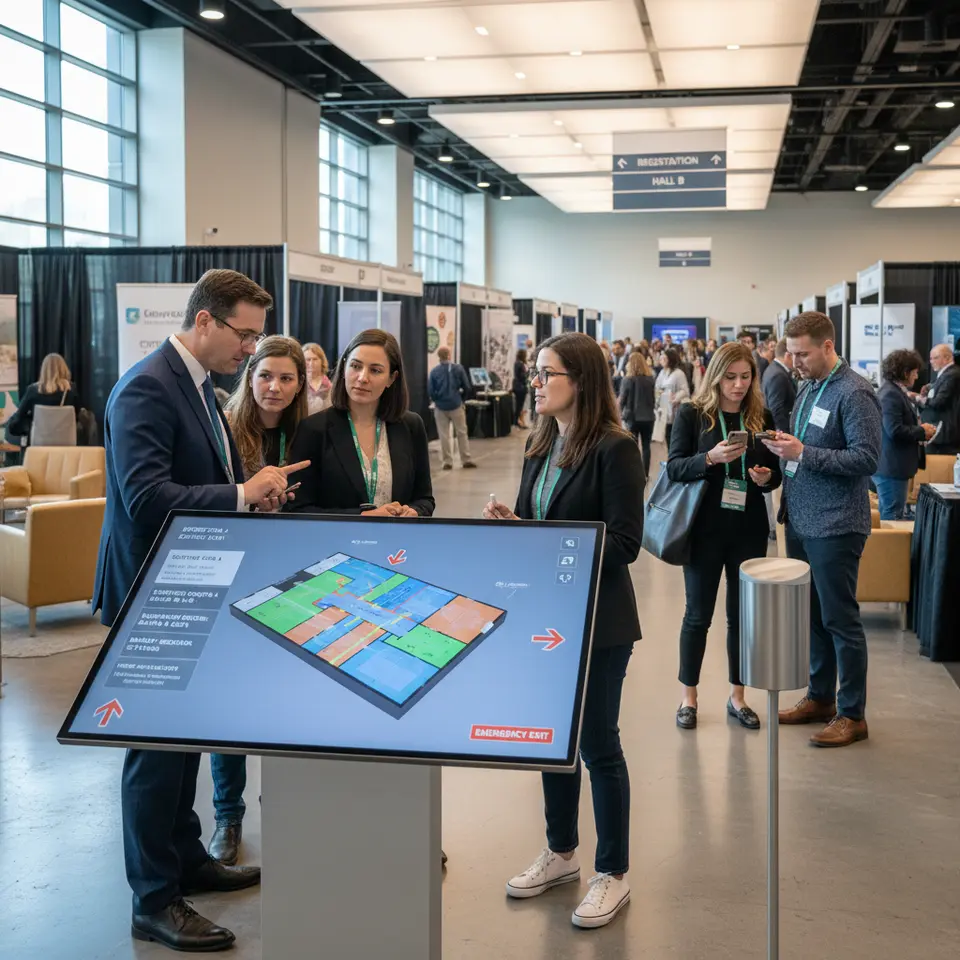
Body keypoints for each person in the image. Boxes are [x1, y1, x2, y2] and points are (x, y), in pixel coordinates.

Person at [94, 269, 310, 952]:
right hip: (148, 597)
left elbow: (198, 483)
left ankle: (186, 859)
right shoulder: (146, 388)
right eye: (243, 334)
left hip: (187, 586)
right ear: (206, 321)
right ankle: (154, 898)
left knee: (183, 742)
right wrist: (243, 495)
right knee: (155, 754)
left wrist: (251, 496)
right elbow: (148, 498)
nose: (250, 350)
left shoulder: (197, 389)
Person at [484, 332, 644, 930]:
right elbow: (542, 523)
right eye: (538, 373)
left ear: (581, 380)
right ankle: (560, 852)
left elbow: (626, 543)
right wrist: (518, 526)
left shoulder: (615, 449)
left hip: (600, 621)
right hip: (546, 615)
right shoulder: (539, 442)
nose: (537, 383)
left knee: (598, 744)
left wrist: (553, 542)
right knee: (553, 743)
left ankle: (614, 872)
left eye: (548, 373)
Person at [206, 336, 309, 867]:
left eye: (287, 378)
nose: (275, 387)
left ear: (300, 384)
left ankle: (287, 807)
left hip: (294, 582)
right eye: (265, 374)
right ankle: (228, 814)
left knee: (287, 701)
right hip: (234, 574)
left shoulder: (310, 433)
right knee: (231, 708)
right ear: (249, 377)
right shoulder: (223, 428)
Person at [763, 311, 881, 748]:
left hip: (836, 526)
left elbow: (866, 459)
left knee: (839, 619)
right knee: (812, 619)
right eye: (791, 354)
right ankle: (820, 698)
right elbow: (802, 451)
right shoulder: (809, 386)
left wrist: (803, 452)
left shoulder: (855, 393)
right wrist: (779, 457)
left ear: (827, 347)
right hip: (802, 521)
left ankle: (853, 713)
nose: (794, 362)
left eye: (802, 354)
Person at [668, 342, 782, 731]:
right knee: (697, 616)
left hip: (747, 530)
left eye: (745, 377)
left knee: (742, 618)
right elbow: (674, 468)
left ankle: (738, 696)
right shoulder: (692, 414)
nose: (737, 385)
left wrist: (767, 479)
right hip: (702, 531)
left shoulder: (760, 416)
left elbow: (774, 472)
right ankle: (689, 697)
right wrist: (710, 459)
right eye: (730, 377)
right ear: (715, 376)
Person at [288, 328, 435, 518]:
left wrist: (415, 511)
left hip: (396, 543)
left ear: (392, 378)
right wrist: (362, 516)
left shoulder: (411, 426)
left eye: (375, 370)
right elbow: (298, 509)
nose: (363, 378)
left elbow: (425, 498)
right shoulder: (313, 429)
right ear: (344, 367)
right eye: (356, 366)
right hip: (336, 545)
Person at [873, 349, 935, 520]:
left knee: (893, 513)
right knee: (891, 516)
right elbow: (895, 430)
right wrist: (922, 431)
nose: (916, 377)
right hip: (891, 467)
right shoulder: (890, 395)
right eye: (914, 373)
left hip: (894, 466)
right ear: (905, 372)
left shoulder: (895, 392)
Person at [4, 352, 81, 443]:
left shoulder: (33, 390)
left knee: (13, 421)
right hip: (66, 442)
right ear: (64, 369)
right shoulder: (71, 391)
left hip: (39, 443)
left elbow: (18, 419)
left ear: (43, 370)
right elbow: (76, 417)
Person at [428, 345, 476, 471]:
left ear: (439, 357)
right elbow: (467, 387)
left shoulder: (434, 371)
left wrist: (437, 400)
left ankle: (447, 462)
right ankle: (466, 459)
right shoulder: (458, 369)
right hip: (456, 405)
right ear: (449, 355)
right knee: (461, 433)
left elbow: (431, 391)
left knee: (444, 435)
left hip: (440, 407)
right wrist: (462, 400)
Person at [918, 343, 960, 455]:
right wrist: (930, 386)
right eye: (931, 358)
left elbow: (939, 401)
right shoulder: (946, 374)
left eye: (935, 358)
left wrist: (919, 398)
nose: (931, 361)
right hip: (940, 431)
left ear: (947, 357)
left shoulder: (952, 374)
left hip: (945, 433)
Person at [619, 351, 655, 476]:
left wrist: (618, 414)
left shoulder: (627, 380)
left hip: (632, 418)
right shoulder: (650, 379)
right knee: (646, 446)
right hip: (648, 417)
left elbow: (622, 400)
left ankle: (634, 472)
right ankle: (645, 473)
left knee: (632, 446)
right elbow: (653, 399)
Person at [655, 347, 690, 448]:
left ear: (670, 359)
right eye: (661, 358)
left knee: (674, 437)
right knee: (666, 436)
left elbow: (685, 391)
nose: (662, 360)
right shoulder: (662, 372)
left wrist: (675, 398)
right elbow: (657, 387)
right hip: (663, 408)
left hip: (674, 408)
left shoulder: (679, 373)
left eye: (664, 358)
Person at [762, 338, 797, 434]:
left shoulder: (774, 369)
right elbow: (777, 410)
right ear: (788, 355)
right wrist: (786, 434)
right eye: (796, 355)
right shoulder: (779, 375)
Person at [302, 342, 332, 415]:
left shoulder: (329, 386)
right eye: (308, 360)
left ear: (322, 361)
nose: (311, 363)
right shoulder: (298, 384)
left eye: (315, 359)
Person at [513, 348, 530, 428]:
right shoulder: (520, 364)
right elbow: (522, 376)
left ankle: (518, 421)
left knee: (520, 405)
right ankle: (518, 421)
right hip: (521, 387)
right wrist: (527, 374)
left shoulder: (517, 363)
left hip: (518, 387)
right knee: (520, 405)